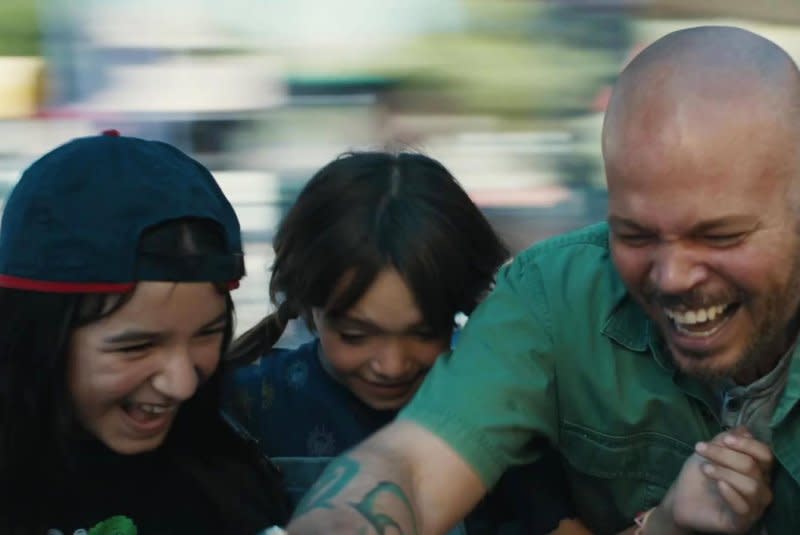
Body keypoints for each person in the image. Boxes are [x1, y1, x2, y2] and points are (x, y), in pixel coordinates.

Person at [285, 26, 800, 535]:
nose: (672, 276)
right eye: (635, 235)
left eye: (719, 236)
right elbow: (415, 466)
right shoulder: (552, 297)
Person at [224, 151, 586, 535]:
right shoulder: (245, 410)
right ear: (305, 303)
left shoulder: (497, 414)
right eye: (356, 336)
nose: (392, 365)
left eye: (425, 332)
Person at [0, 132, 288, 535]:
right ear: (36, 339)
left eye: (208, 334)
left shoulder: (232, 480)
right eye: (137, 346)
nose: (182, 384)